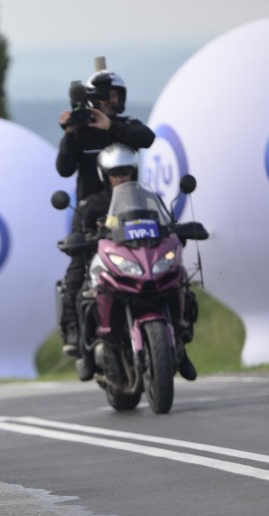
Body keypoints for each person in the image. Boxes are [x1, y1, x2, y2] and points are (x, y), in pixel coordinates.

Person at [69, 143, 198, 382]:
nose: (120, 177)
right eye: (115, 173)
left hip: (144, 256)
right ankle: (85, 354)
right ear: (105, 176)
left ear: (134, 172)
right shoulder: (92, 204)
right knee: (83, 295)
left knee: (180, 281)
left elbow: (164, 223)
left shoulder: (147, 198)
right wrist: (80, 239)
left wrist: (178, 231)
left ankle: (180, 342)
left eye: (125, 172)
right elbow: (78, 231)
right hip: (112, 259)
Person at [55, 67, 156, 355]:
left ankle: (175, 332)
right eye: (106, 96)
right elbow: (64, 168)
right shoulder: (81, 132)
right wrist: (70, 133)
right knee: (78, 267)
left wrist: (110, 125)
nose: (112, 100)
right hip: (91, 213)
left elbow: (147, 138)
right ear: (93, 99)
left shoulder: (123, 127)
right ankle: (73, 330)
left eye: (116, 95)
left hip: (131, 209)